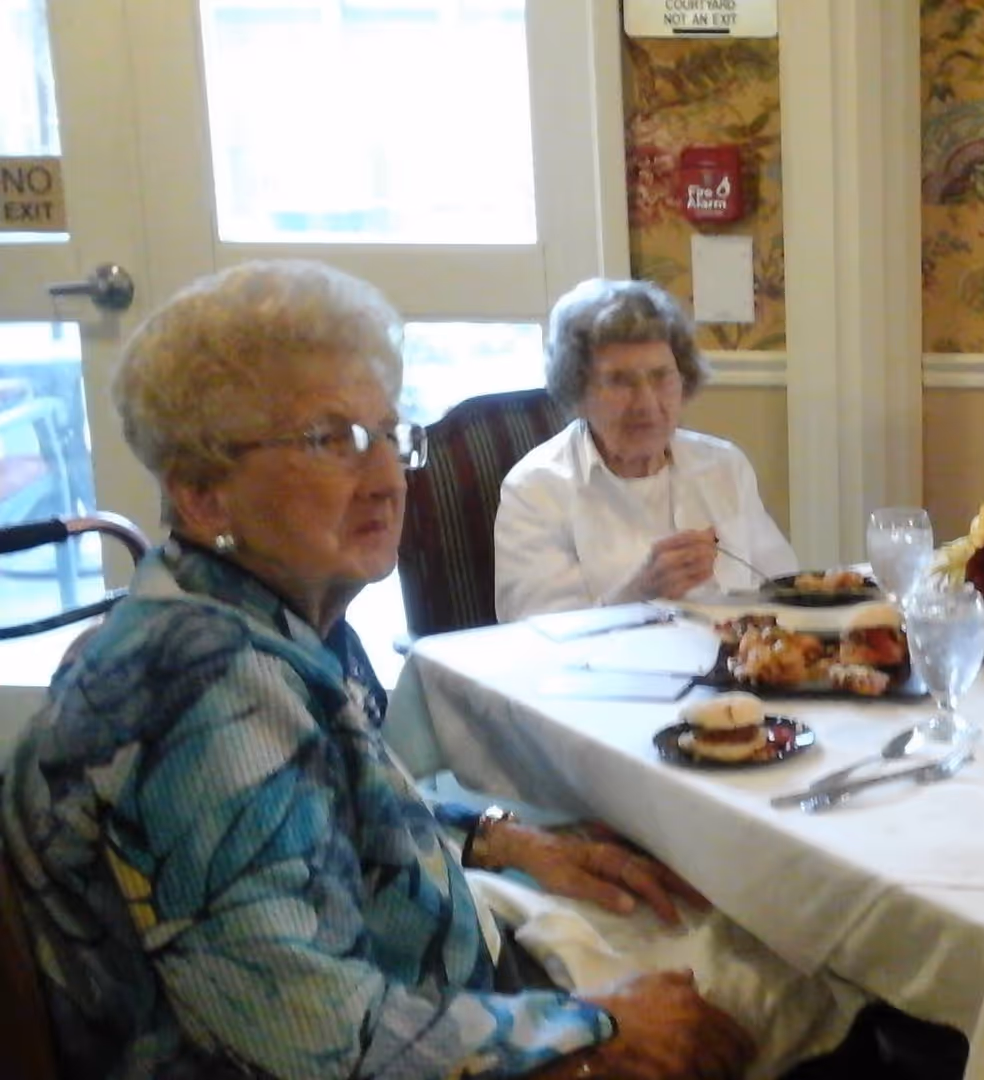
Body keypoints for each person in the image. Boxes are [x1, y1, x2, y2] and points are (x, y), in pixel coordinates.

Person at [0, 261, 773, 1078]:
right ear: (203, 495)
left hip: (440, 971)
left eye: (389, 434)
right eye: (328, 440)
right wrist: (597, 1032)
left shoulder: (276, 614)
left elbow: (336, 821)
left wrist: (508, 839)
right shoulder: (208, 696)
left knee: (725, 919)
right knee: (772, 989)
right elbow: (316, 1038)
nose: (384, 477)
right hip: (373, 1038)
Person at [496, 279, 797, 621]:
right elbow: (534, 638)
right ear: (577, 392)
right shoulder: (536, 489)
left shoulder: (724, 465)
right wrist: (639, 591)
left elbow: (781, 590)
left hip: (734, 666)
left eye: (661, 376)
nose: (647, 403)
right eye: (619, 381)